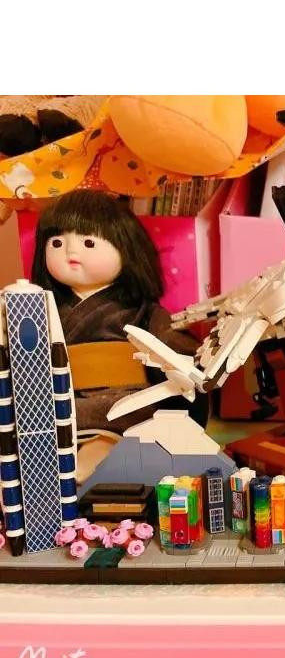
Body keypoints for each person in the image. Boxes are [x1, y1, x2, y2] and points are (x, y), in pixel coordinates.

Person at [31, 189, 207, 478]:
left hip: (123, 402)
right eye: (57, 243)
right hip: (63, 401)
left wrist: (192, 359)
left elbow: (172, 344)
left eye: (88, 242)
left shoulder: (142, 311)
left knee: (116, 432)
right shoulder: (42, 311)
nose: (71, 253)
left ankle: (95, 457)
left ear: (126, 250)